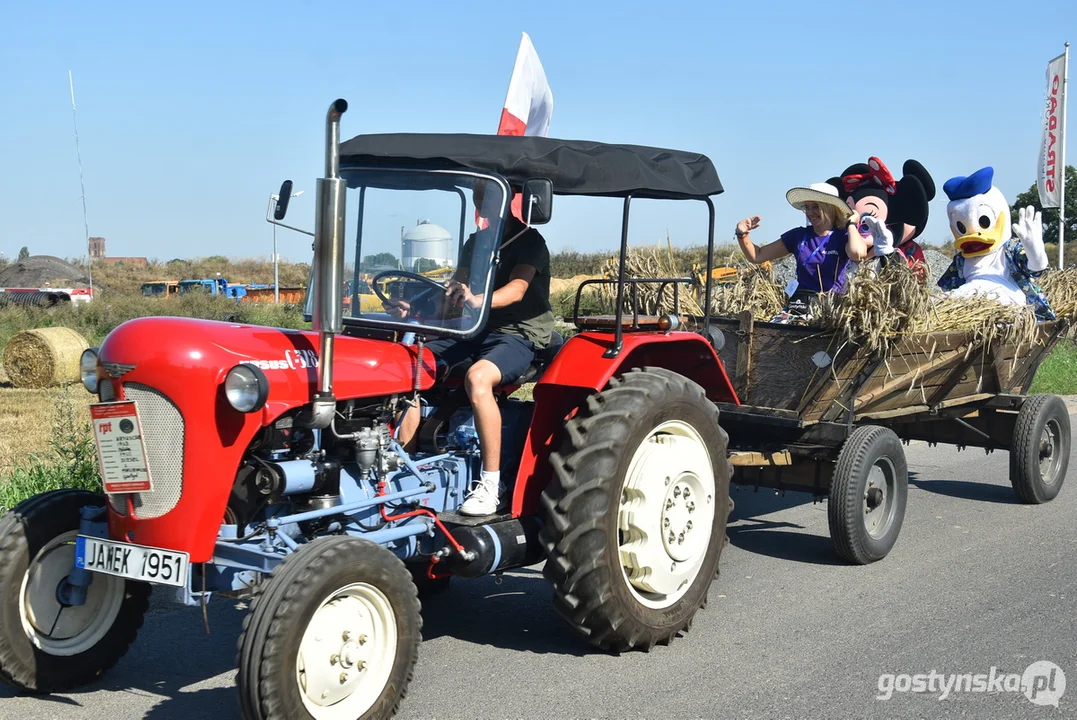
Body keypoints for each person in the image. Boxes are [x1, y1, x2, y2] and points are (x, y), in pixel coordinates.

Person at [388, 188, 554, 516]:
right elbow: (453, 288)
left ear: (507, 201)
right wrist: (414, 309)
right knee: (408, 367)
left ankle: (492, 485)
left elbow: (517, 289)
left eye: (489, 197)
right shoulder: (474, 243)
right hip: (473, 330)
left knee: (478, 378)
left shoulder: (529, 241)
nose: (483, 204)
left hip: (518, 334)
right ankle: (403, 473)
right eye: (479, 198)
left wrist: (479, 300)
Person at [735, 182, 869, 320]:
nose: (810, 212)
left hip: (831, 313)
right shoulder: (797, 236)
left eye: (816, 207)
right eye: (807, 207)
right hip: (799, 307)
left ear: (830, 208)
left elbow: (857, 253)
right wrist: (742, 234)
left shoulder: (843, 236)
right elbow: (757, 256)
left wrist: (852, 224)